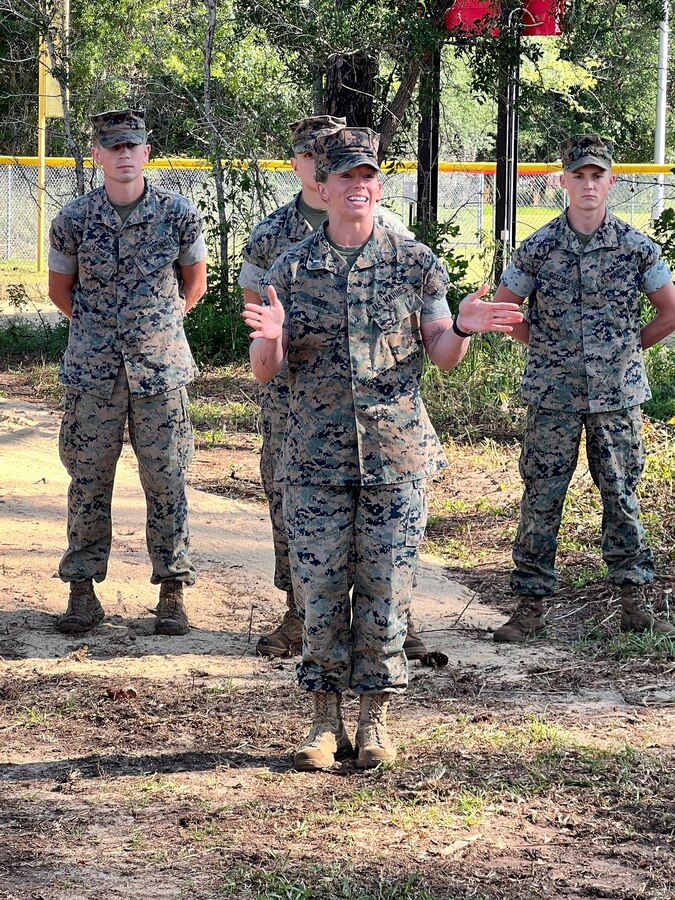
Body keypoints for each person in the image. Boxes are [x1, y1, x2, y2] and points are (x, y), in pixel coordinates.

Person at [243, 127, 523, 770]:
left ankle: (375, 722)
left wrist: (464, 329)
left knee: (387, 591)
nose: (359, 186)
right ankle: (322, 723)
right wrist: (274, 337)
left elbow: (443, 355)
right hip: (313, 457)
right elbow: (264, 369)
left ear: (378, 183)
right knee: (319, 593)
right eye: (345, 176)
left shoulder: (414, 261)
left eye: (368, 176)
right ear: (323, 185)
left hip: (395, 458)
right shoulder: (289, 268)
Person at [239, 115, 431, 662]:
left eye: (362, 170)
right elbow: (259, 323)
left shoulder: (394, 237)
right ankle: (300, 612)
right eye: (310, 153)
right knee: (296, 509)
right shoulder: (276, 241)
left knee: (384, 535)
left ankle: (397, 622)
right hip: (296, 401)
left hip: (376, 411)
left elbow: (421, 325)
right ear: (307, 168)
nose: (353, 182)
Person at [491, 133, 675, 643]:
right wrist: (545, 346)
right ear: (563, 181)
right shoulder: (538, 246)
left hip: (617, 395)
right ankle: (529, 607)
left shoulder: (637, 247)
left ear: (610, 182)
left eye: (597, 176)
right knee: (542, 496)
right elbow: (506, 311)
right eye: (579, 175)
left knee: (621, 493)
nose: (588, 185)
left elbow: (670, 311)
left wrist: (628, 350)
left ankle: (633, 601)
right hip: (553, 395)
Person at [48, 109, 207, 637]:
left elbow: (194, 285)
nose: (122, 155)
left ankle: (172, 591)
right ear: (97, 155)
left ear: (145, 152)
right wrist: (102, 332)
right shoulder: (72, 220)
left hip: (160, 373)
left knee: (166, 480)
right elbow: (59, 291)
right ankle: (82, 591)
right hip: (93, 375)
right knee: (88, 480)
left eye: (131, 146)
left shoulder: (177, 213)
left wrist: (154, 330)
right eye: (111, 147)